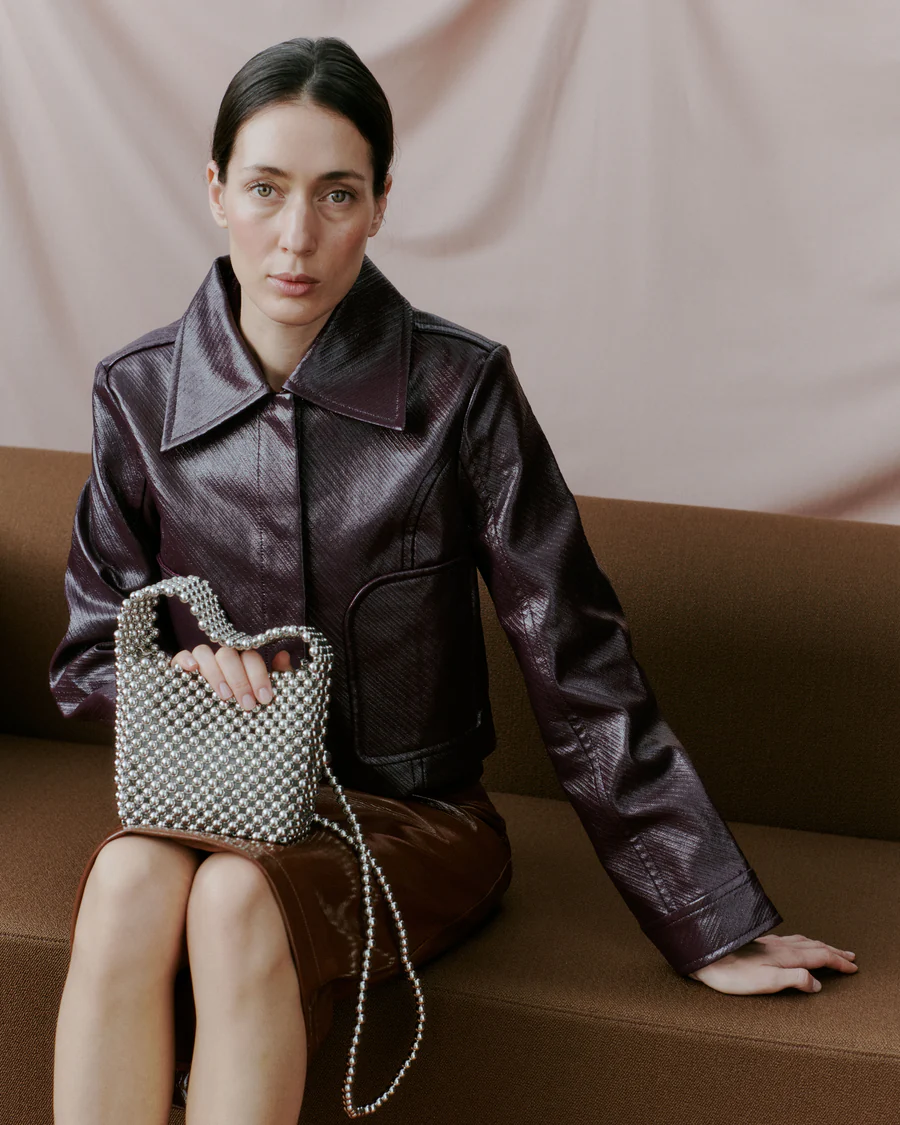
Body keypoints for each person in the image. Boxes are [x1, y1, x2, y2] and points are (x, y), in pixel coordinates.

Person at [47, 34, 859, 1125]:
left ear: (381, 203)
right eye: (266, 188)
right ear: (216, 191)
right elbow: (89, 651)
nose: (297, 236)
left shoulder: (460, 390)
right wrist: (190, 673)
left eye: (338, 193)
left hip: (416, 819)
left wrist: (705, 918)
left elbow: (576, 655)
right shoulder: (139, 394)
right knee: (126, 877)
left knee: (240, 899)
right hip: (212, 803)